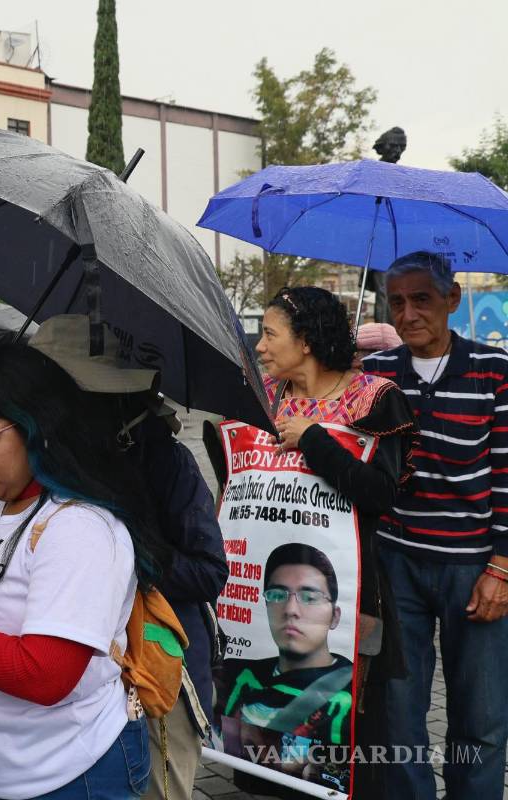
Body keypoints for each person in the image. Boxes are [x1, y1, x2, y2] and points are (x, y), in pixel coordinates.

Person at [0, 342, 168, 800]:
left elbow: (46, 673)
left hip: (72, 775)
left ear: (37, 425)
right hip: (1, 770)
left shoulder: (80, 527)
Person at [29, 315, 228, 800]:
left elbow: (208, 571)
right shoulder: (42, 458)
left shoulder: (161, 458)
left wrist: (128, 547)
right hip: (77, 682)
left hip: (156, 673)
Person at [237, 285, 415, 797]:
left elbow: (382, 494)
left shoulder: (376, 400)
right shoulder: (263, 398)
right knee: (270, 742)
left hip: (351, 597)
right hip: (271, 594)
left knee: (343, 739)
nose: (261, 347)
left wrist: (314, 439)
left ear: (308, 340)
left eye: (270, 334)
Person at [362, 251, 508, 800]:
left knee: (483, 715)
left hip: (475, 567)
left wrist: (502, 567)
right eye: (397, 302)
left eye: (422, 298)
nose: (408, 313)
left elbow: (506, 474)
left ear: (452, 300)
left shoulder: (494, 371)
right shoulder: (376, 376)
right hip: (395, 563)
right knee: (397, 708)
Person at [218, 545, 353, 792]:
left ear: (335, 616)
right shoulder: (238, 675)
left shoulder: (348, 692)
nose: (290, 610)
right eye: (278, 595)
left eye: (310, 597)